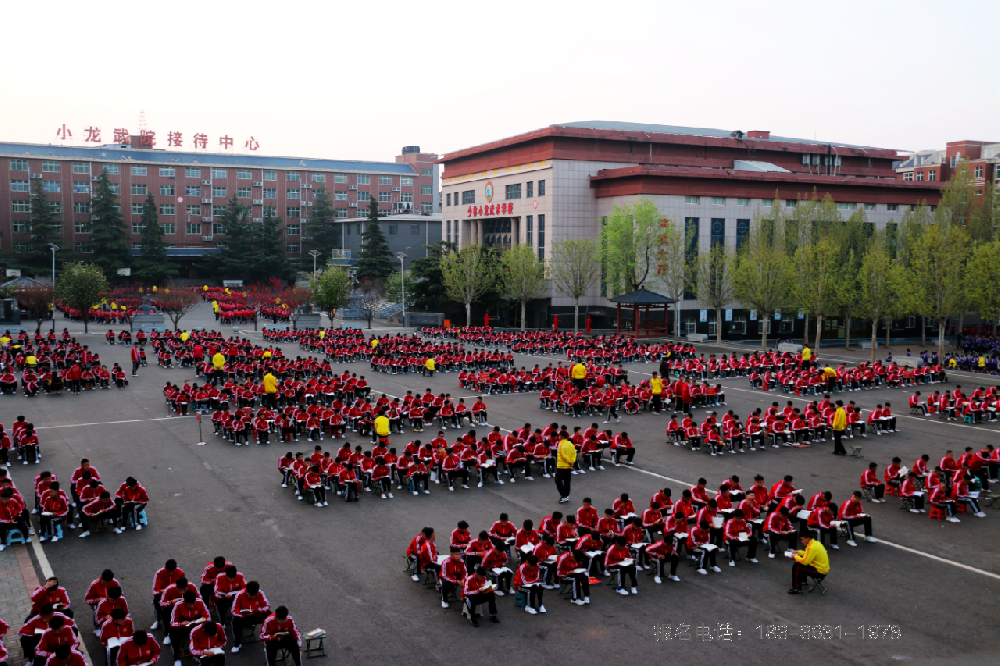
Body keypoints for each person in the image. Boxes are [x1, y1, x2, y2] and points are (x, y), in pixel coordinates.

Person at [169, 591, 209, 666]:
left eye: (193, 604)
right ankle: (177, 658)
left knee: (208, 627)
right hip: (183, 628)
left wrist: (201, 620)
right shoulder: (178, 605)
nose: (192, 606)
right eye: (189, 604)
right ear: (184, 602)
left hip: (196, 627)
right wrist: (181, 624)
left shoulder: (200, 602)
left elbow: (208, 617)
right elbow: (172, 623)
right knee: (173, 632)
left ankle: (200, 654)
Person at [555, 434, 576, 504]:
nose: (558, 437)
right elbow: (574, 454)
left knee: (558, 480)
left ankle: (563, 495)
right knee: (567, 481)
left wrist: (569, 461)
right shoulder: (571, 444)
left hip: (562, 465)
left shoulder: (561, 444)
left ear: (562, 436)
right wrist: (572, 461)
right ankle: (566, 495)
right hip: (568, 466)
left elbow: (563, 455)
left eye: (559, 436)